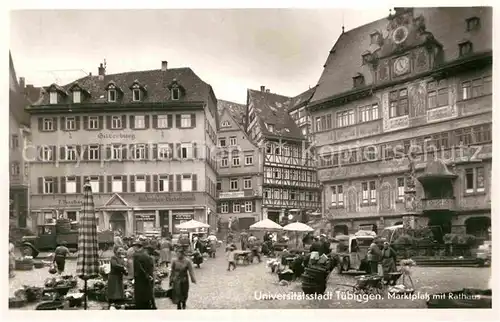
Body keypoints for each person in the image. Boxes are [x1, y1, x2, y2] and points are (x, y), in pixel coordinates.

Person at [132, 240, 155, 309]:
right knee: (147, 292)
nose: (133, 248)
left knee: (140, 295)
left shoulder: (137, 255)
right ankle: (149, 305)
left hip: (140, 278)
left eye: (134, 246)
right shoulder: (145, 255)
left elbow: (139, 268)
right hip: (146, 277)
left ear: (137, 247)